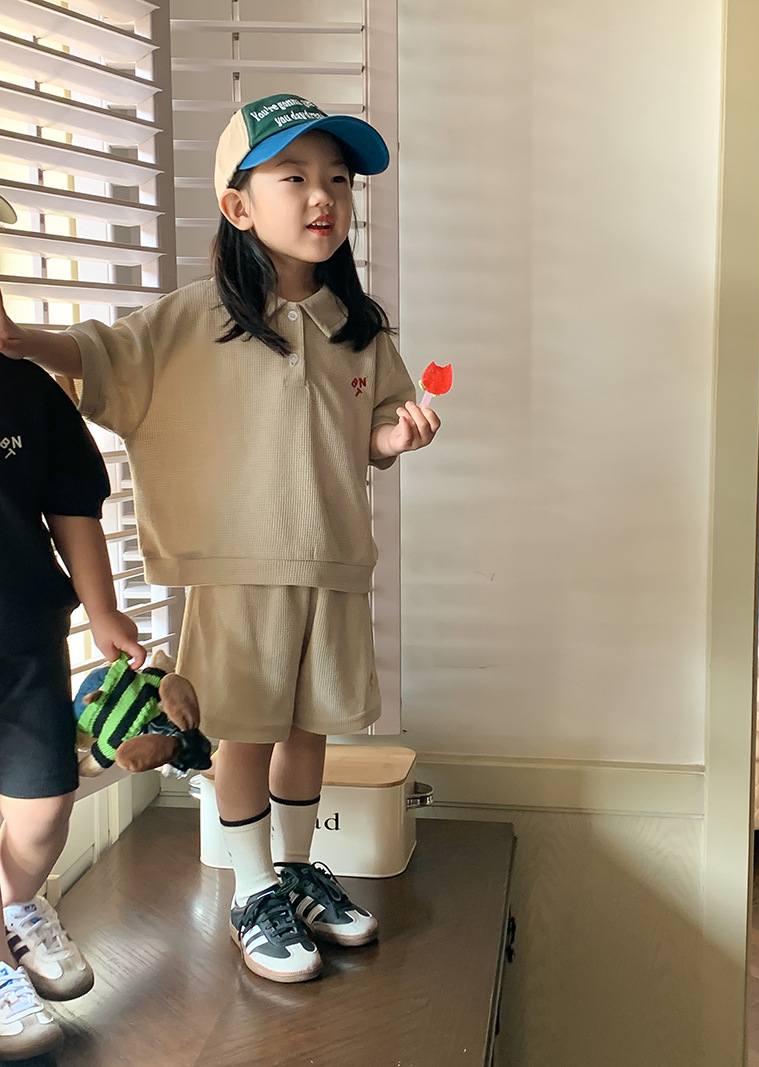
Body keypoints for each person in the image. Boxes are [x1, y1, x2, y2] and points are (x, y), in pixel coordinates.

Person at [0, 92, 440, 985]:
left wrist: (397, 437)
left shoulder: (359, 327)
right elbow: (105, 355)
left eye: (338, 180)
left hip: (335, 563)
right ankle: (252, 886)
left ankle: (295, 867)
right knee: (242, 728)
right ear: (238, 206)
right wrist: (20, 338)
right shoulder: (195, 317)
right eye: (294, 178)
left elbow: (374, 429)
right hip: (237, 567)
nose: (323, 197)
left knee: (311, 725)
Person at [0, 352, 146, 1058]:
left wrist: (103, 610)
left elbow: (71, 506)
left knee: (45, 808)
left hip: (25, 638)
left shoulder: (26, 389)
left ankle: (16, 906)